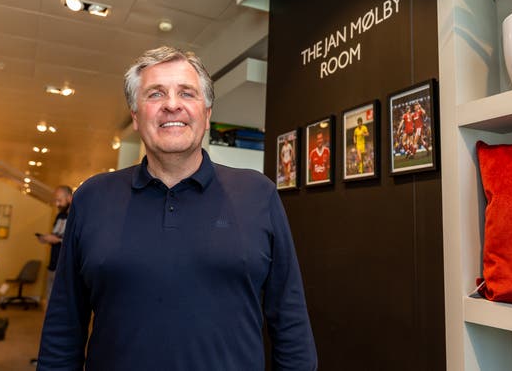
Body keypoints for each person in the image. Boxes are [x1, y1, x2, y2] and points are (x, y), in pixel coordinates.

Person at [37, 46, 317, 370]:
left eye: (187, 93)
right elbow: (63, 327)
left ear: (207, 114)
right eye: (155, 94)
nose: (172, 104)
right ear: (135, 116)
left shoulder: (259, 194)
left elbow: (291, 322)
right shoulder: (91, 198)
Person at [36, 185, 72, 304]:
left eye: (60, 200)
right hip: (53, 264)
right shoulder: (59, 216)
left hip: (66, 266)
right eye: (56, 200)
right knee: (50, 301)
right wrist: (46, 238)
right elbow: (56, 234)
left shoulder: (76, 217)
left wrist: (58, 240)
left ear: (69, 198)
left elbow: (75, 241)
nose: (57, 204)